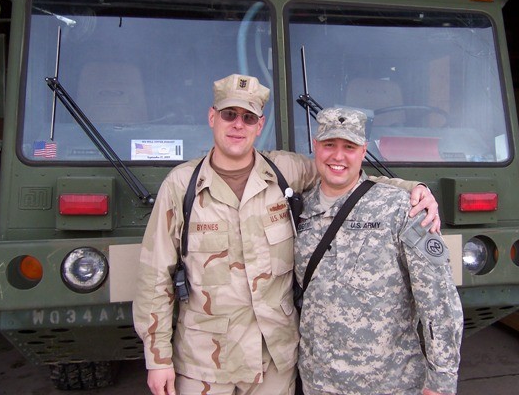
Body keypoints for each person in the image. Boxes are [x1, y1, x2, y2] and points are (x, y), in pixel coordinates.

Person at [133, 74, 440, 395]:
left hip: (273, 360)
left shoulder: (284, 171)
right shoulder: (182, 185)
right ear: (212, 117)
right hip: (205, 364)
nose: (238, 124)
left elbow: (344, 176)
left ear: (259, 125)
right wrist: (158, 359)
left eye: (248, 117)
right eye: (229, 114)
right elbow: (155, 277)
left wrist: (411, 188)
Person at [294, 107, 463, 395]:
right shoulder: (299, 211)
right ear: (315, 147)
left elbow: (439, 301)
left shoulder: (402, 208)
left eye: (349, 147)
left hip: (389, 383)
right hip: (318, 381)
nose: (338, 156)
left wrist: (442, 380)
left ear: (364, 150)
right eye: (329, 145)